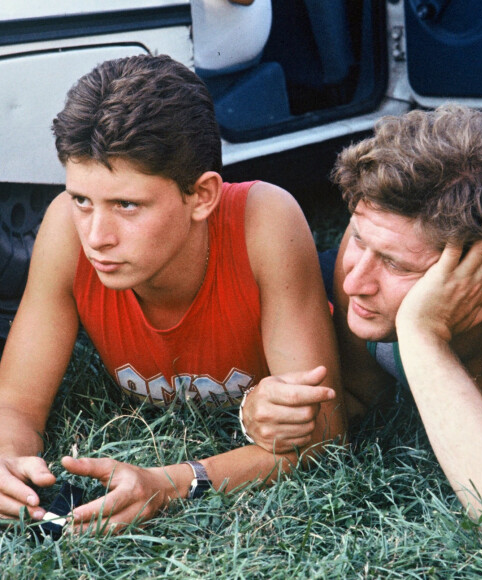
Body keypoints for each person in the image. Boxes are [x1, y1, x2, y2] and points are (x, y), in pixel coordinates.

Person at [0, 54, 344, 533]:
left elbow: (323, 433)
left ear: (202, 196)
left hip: (308, 287)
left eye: (127, 204)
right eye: (82, 199)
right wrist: (6, 460)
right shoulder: (67, 228)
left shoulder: (264, 221)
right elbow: (15, 401)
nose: (97, 235)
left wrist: (174, 481)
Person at [242, 104, 482, 535]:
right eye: (359, 239)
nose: (354, 282)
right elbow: (356, 398)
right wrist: (260, 408)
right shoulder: (369, 258)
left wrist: (422, 336)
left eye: (396, 265)